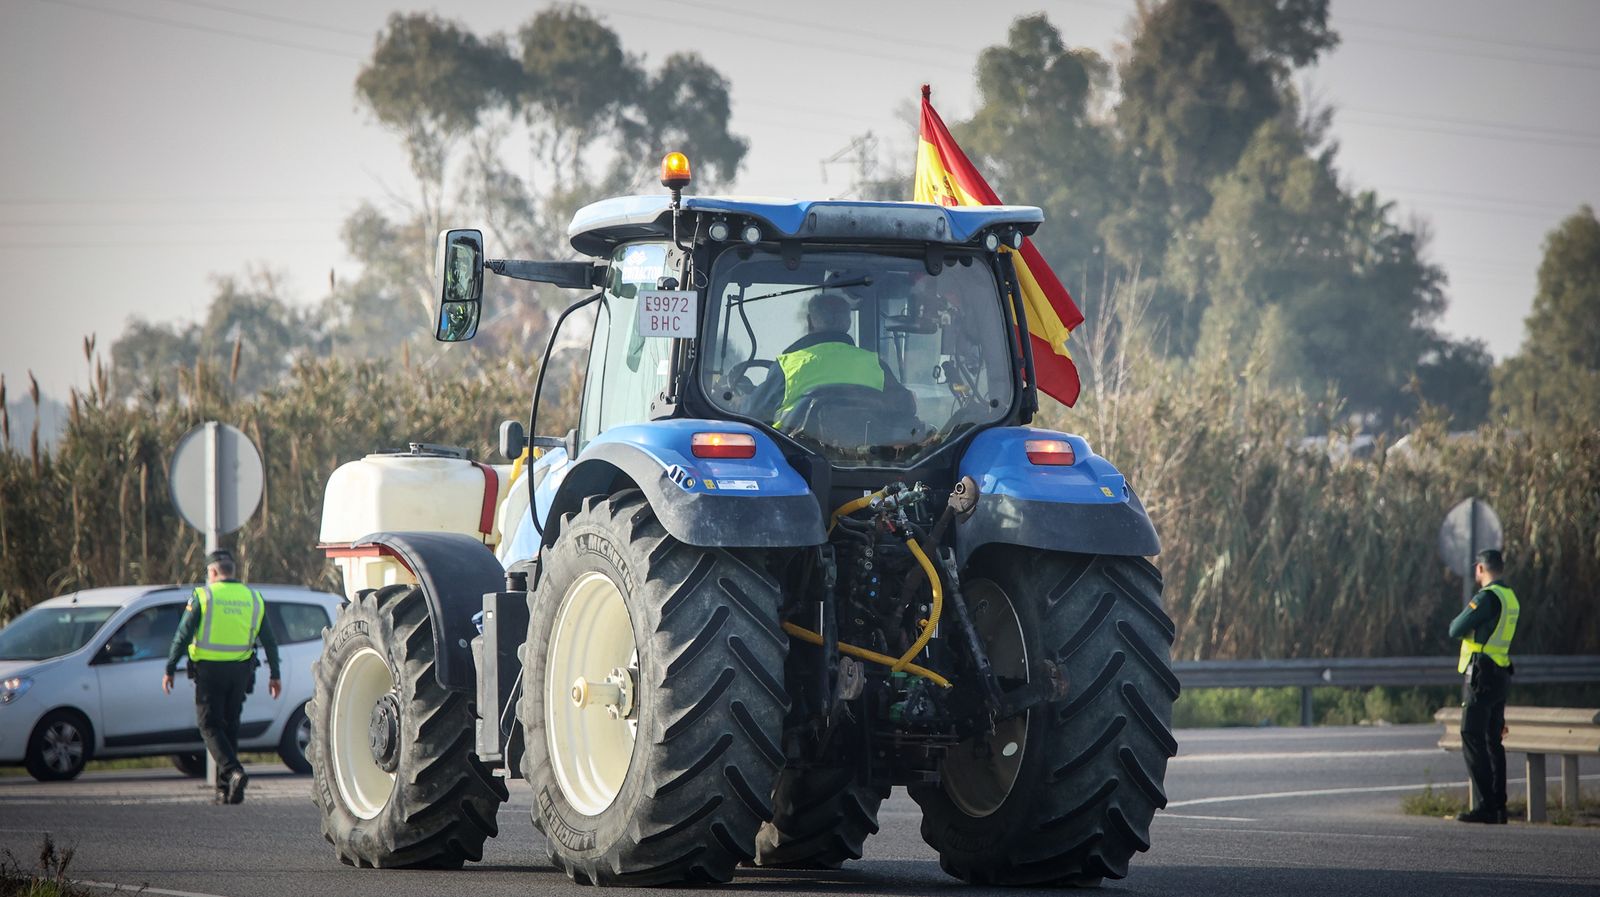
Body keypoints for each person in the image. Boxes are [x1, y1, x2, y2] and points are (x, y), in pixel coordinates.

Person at [162, 550, 281, 804]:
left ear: (213, 572)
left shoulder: (204, 596)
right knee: (229, 725)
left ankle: (233, 771)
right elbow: (269, 640)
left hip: (209, 671)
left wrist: (170, 667)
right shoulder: (252, 597)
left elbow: (183, 634)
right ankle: (226, 790)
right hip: (240, 671)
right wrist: (275, 674)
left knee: (208, 725)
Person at [750, 292, 915, 425]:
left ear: (810, 322)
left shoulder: (788, 367)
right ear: (848, 324)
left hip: (794, 460)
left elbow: (753, 414)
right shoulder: (875, 365)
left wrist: (739, 401)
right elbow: (907, 407)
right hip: (868, 460)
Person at [1448, 548, 1520, 824]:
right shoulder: (1510, 597)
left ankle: (1485, 806)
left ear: (1480, 568)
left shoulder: (1488, 597)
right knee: (1493, 739)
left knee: (1471, 734)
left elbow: (1455, 628)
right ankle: (1498, 807)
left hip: (1482, 673)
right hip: (1500, 671)